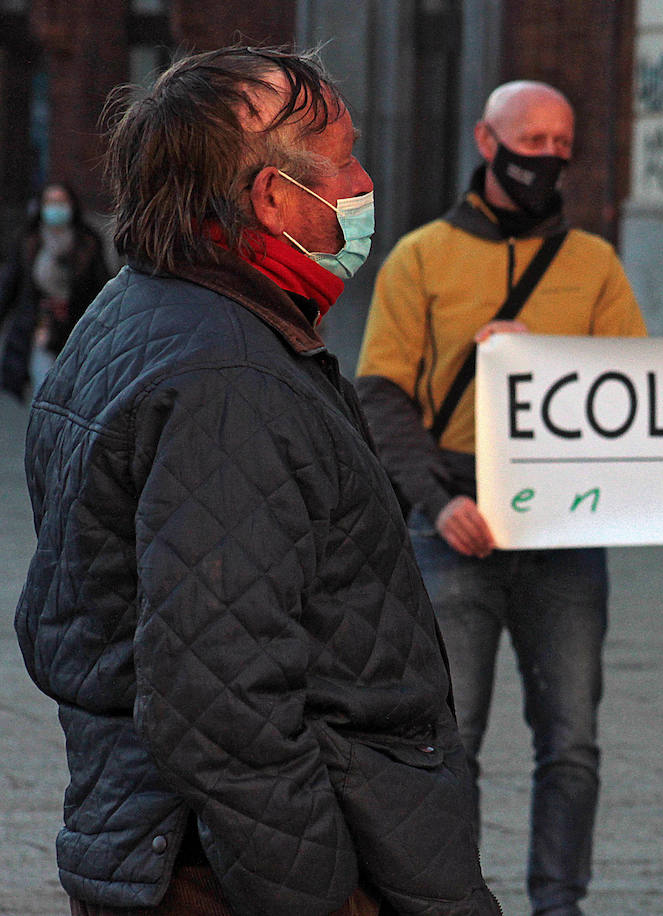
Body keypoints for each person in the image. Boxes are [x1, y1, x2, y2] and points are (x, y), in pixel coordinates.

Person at [15, 46, 499, 916]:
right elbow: (218, 699)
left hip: (163, 839)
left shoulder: (147, 307)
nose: (363, 181)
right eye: (345, 158)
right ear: (274, 199)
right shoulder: (227, 376)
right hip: (235, 864)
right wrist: (314, 892)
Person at [356, 80, 646, 916]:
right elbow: (382, 394)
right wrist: (435, 502)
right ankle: (454, 899)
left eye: (563, 143)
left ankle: (560, 904)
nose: (547, 158)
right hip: (455, 517)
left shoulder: (593, 263)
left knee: (574, 742)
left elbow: (637, 387)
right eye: (532, 140)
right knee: (453, 740)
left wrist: (546, 354)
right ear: (488, 141)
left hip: (564, 527)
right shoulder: (419, 258)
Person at [0, 180, 110, 400]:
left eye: (61, 202)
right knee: (45, 389)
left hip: (76, 327)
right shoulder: (29, 241)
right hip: (40, 327)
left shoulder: (87, 242)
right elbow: (11, 285)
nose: (55, 208)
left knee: (75, 391)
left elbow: (100, 286)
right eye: (50, 202)